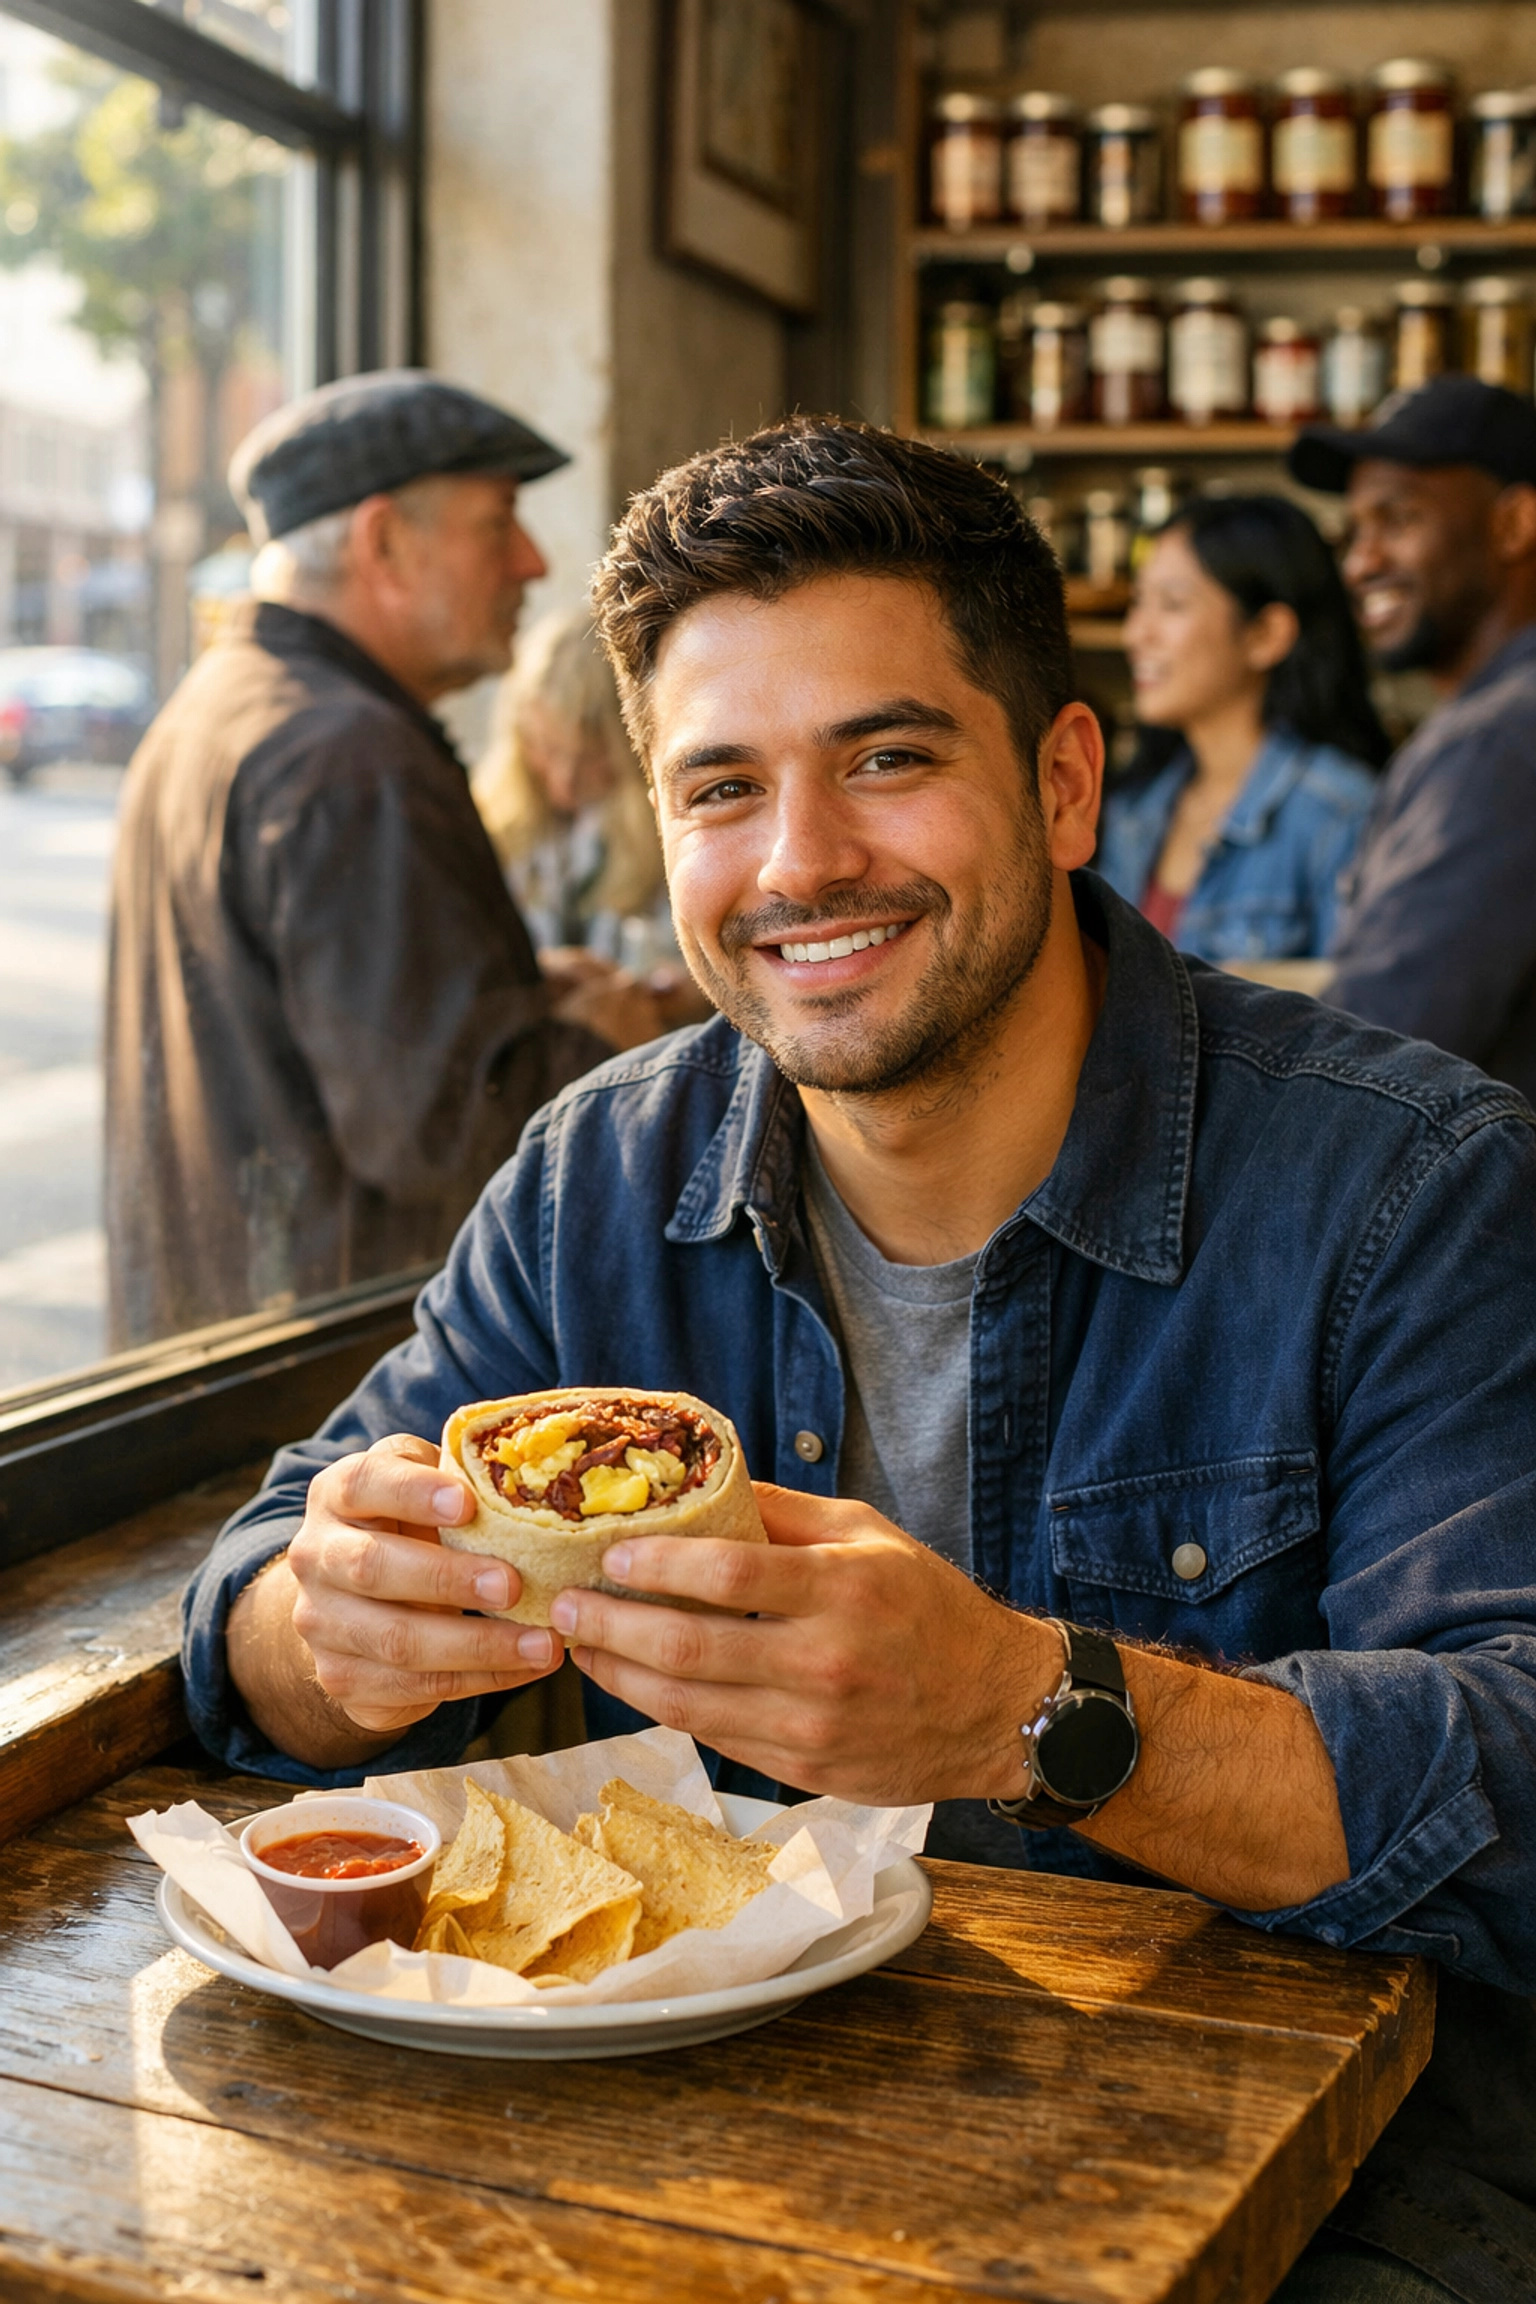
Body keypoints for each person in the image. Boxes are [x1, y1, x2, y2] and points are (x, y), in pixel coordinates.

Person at [185, 420, 1536, 2304]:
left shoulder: (1410, 1181)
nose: (800, 863)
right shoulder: (598, 1174)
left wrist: (1023, 1708)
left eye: (887, 758)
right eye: (720, 788)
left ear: (1065, 781)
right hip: (710, 2180)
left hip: (1323, 2209)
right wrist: (330, 1631)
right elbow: (253, 1597)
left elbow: (1517, 1780)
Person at [105, 370, 666, 1348]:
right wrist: (608, 1040)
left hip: (220, 1344)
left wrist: (519, 995)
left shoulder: (219, 710)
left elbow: (307, 1035)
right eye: (500, 522)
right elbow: (451, 1139)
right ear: (383, 542)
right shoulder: (352, 762)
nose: (532, 563)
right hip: (340, 1375)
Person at [1289, 374, 1536, 1101]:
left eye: (1397, 519)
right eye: (1353, 531)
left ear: (1515, 524)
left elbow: (1376, 1061)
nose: (1360, 563)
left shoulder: (1498, 744)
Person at [1098, 493, 1387, 961]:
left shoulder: (1339, 815)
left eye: (1171, 604)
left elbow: (1361, 1022)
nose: (1136, 633)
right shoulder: (1136, 808)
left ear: (1266, 634)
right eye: (1138, 602)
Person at [473, 607, 674, 963]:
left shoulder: (663, 834)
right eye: (546, 749)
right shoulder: (495, 827)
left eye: (589, 757)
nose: (564, 779)